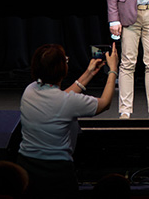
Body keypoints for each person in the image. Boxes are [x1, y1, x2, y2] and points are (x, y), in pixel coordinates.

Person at [17, 43, 118, 198]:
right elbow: (104, 104)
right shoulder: (67, 102)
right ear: (62, 69)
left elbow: (62, 99)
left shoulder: (29, 90)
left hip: (26, 168)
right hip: (57, 174)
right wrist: (113, 70)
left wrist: (89, 73)